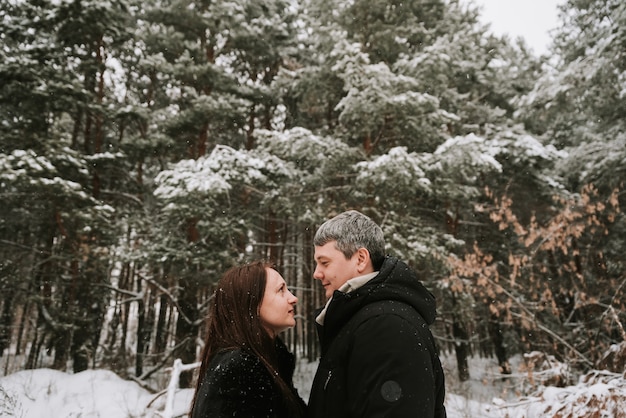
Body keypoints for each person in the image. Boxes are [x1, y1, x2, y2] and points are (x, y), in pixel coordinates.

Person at [307, 210, 447, 418]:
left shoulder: (386, 326)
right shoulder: (363, 320)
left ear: (361, 259)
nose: (316, 273)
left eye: (325, 263)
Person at [189, 261, 306, 418]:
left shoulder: (267, 364)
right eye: (281, 290)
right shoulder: (239, 370)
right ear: (252, 304)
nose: (293, 298)